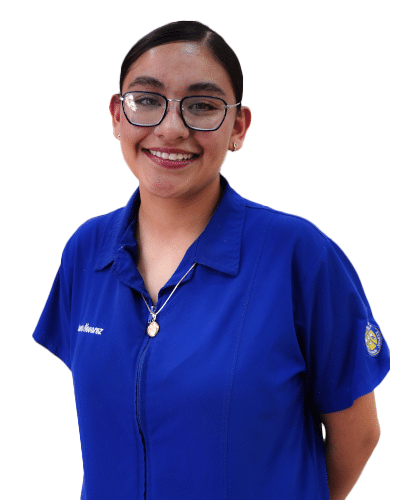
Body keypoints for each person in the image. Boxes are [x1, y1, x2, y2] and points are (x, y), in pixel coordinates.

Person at [33, 21, 390, 500]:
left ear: (238, 127)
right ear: (117, 115)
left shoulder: (299, 256)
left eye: (202, 106)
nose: (171, 128)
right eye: (147, 100)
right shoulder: (87, 251)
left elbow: (359, 434)